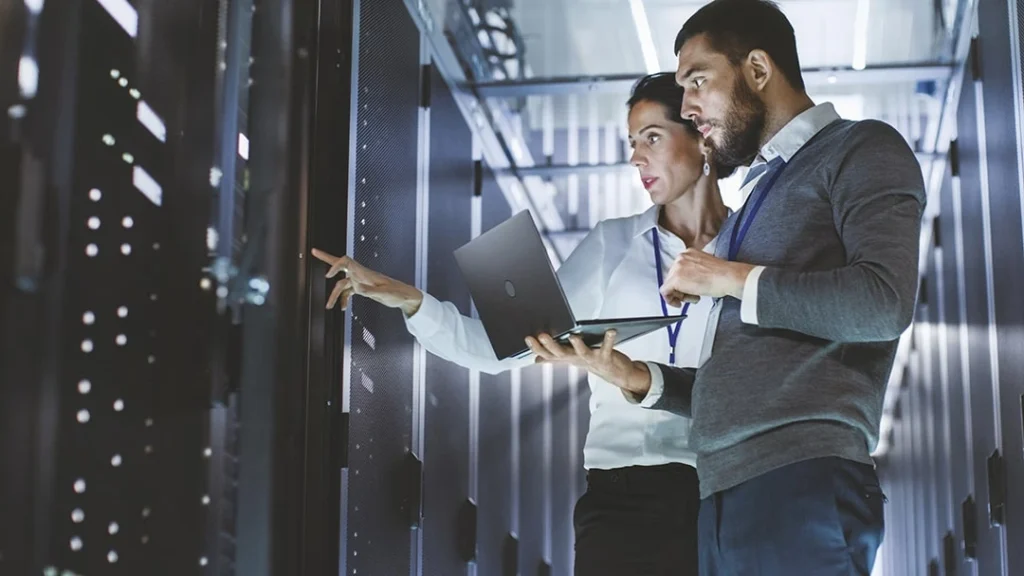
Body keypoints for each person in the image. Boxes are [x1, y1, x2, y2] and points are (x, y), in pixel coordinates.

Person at [527, 1, 926, 575]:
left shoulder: (860, 149)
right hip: (721, 495)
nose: (689, 106)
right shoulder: (751, 209)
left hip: (800, 479)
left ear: (758, 70)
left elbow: (883, 302)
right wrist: (634, 378)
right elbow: (738, 379)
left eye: (698, 81)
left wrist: (729, 277)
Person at [312, 73, 737, 575]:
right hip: (621, 498)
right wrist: (409, 300)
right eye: (631, 143)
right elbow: (499, 350)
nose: (636, 158)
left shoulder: (750, 251)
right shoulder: (612, 244)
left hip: (722, 495)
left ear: (700, 135)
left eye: (652, 137)